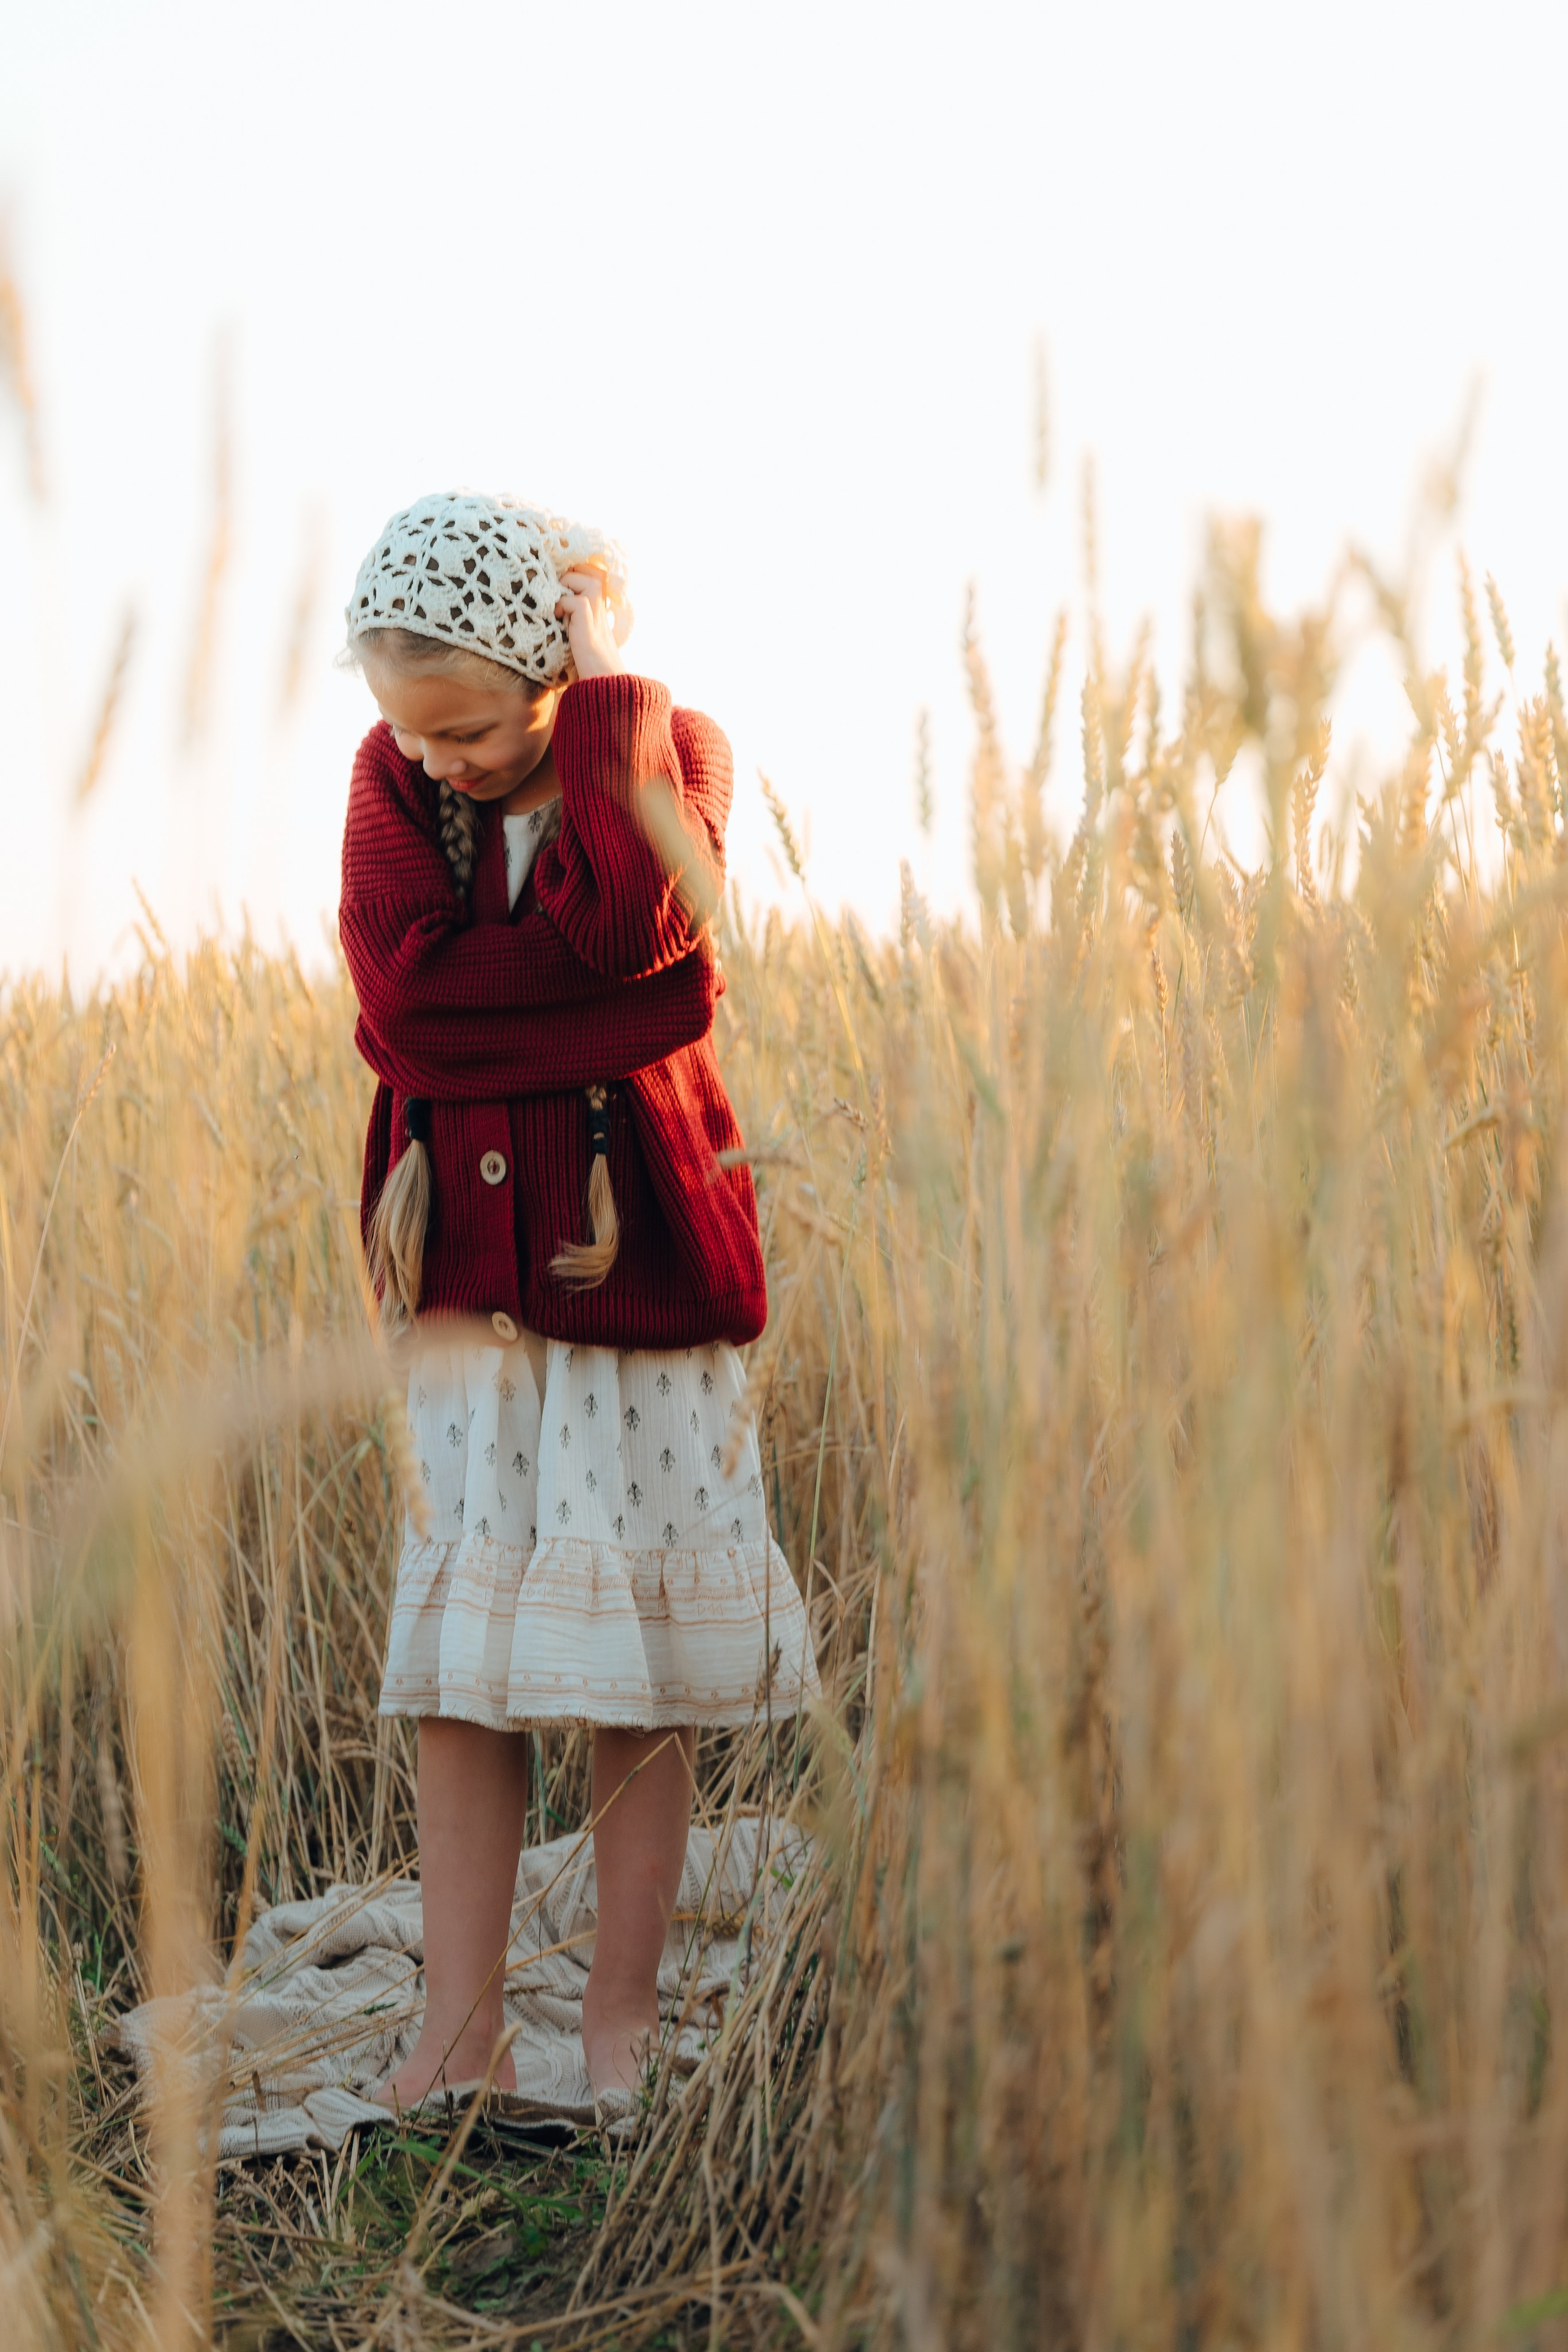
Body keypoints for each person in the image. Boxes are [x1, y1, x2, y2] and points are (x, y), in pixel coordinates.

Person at [337, 492, 818, 2108]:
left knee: (640, 1668)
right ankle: (457, 2027)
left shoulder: (669, 752)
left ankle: (618, 2018)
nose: (442, 762)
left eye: (472, 730)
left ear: (559, 672)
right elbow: (407, 1010)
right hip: (470, 1297)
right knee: (461, 1674)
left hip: (643, 1295)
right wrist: (602, 1013)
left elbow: (644, 937)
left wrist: (608, 700)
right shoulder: (393, 784)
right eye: (416, 732)